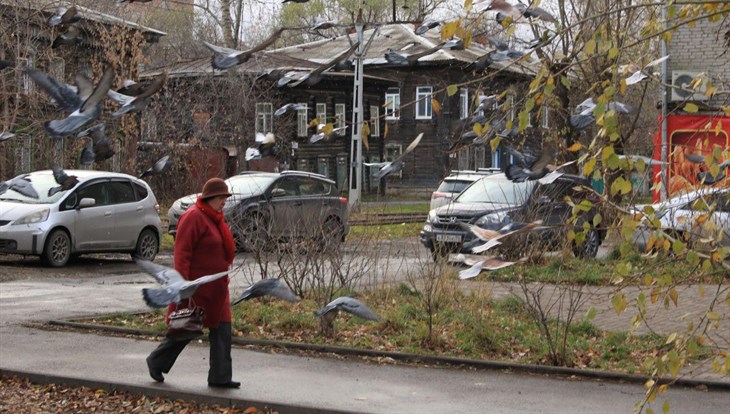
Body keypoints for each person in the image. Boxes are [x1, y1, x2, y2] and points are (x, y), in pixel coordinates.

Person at [146, 177, 240, 388]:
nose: (224, 202)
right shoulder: (193, 217)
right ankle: (156, 361)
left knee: (223, 330)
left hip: (216, 288)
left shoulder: (216, 218)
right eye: (221, 198)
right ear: (210, 198)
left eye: (225, 198)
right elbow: (182, 254)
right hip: (196, 288)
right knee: (186, 328)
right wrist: (182, 286)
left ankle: (220, 377)